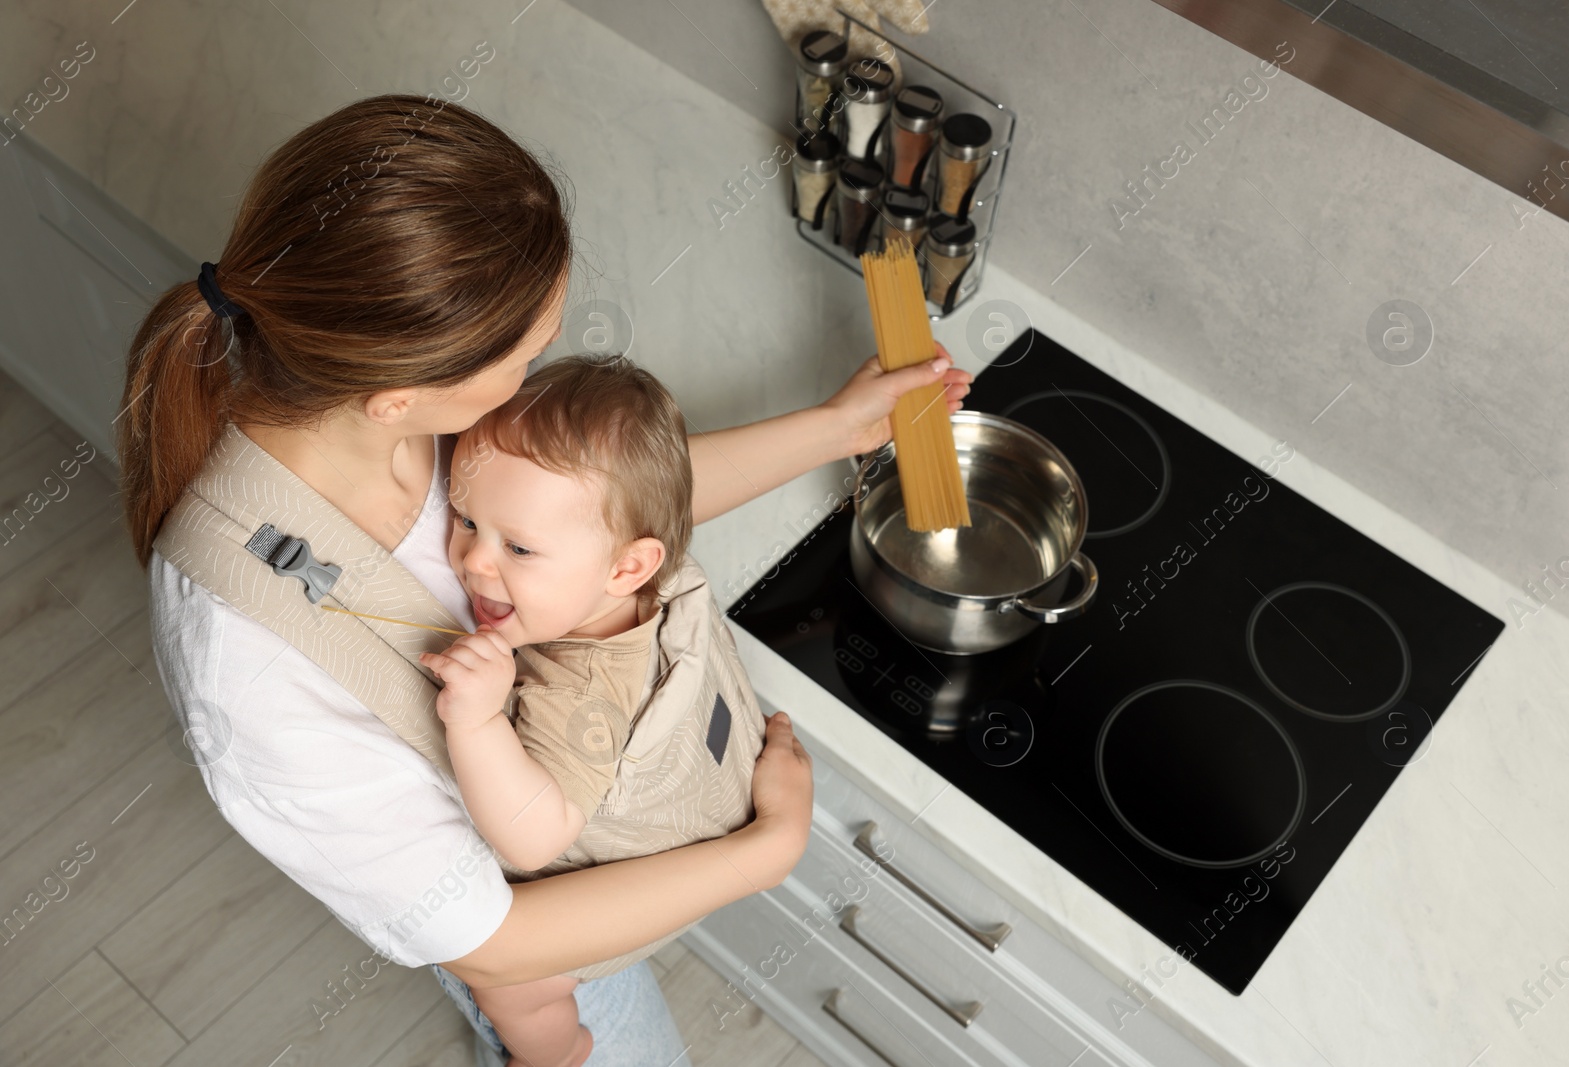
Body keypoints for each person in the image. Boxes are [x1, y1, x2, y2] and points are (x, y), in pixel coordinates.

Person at [118, 93, 970, 1064]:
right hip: (538, 931)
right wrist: (759, 854)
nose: (532, 377)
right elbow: (496, 939)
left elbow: (586, 514)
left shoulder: (388, 411)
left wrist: (833, 428)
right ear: (400, 393)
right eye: (521, 357)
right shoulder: (250, 671)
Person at [420, 354, 769, 1067]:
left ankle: (557, 1052)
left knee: (511, 990)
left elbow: (533, 839)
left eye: (517, 546)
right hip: (713, 795)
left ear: (627, 567)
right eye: (464, 518)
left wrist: (477, 719)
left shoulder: (574, 695)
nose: (473, 562)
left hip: (629, 875)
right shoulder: (650, 576)